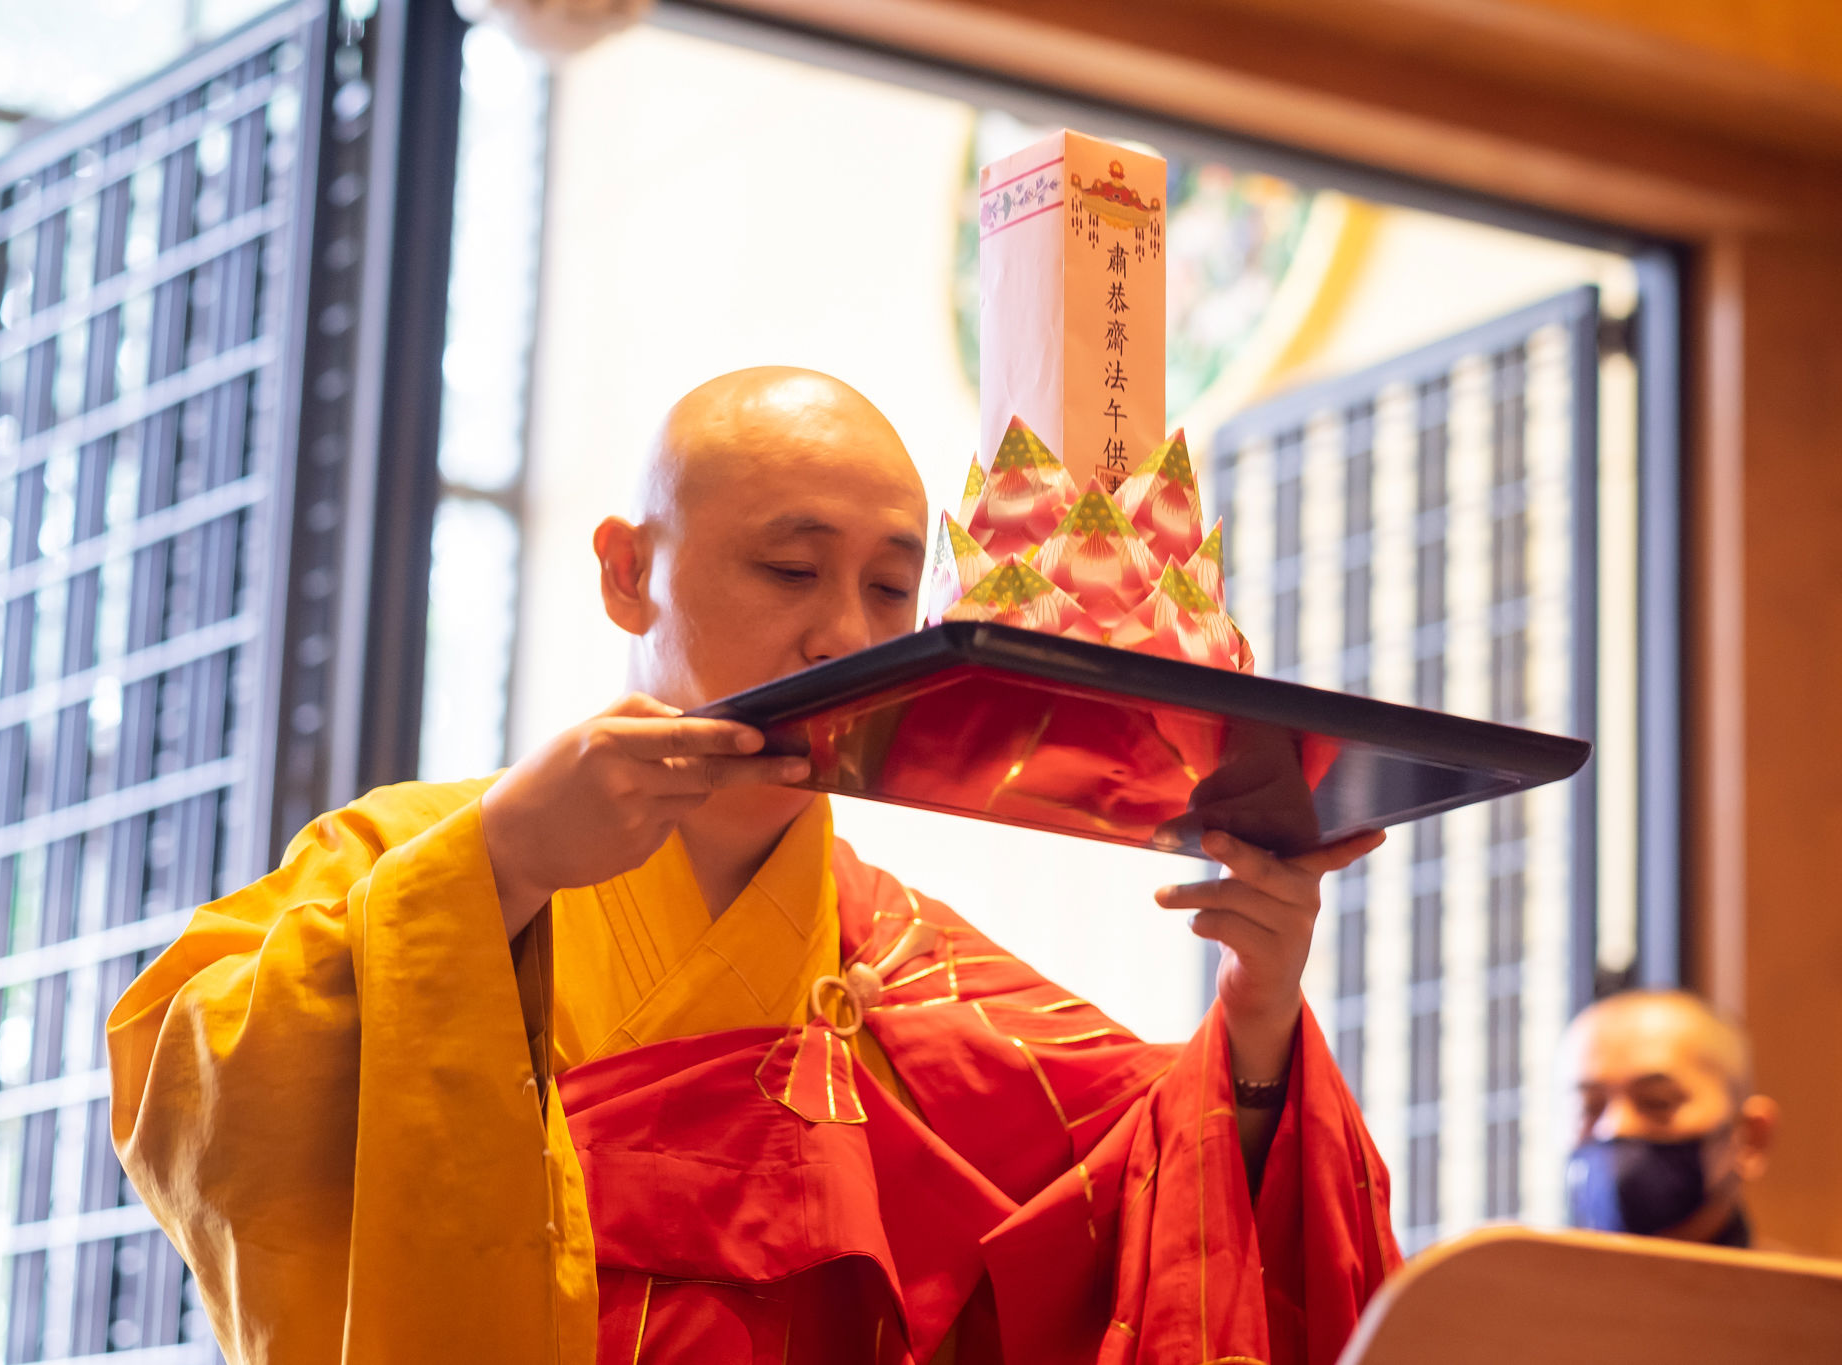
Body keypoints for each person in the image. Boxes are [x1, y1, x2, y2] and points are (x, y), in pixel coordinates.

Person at [107, 367, 1400, 1365]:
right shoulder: (409, 861)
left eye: (893, 592)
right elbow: (192, 1093)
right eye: (790, 567)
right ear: (628, 572)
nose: (840, 630)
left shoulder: (907, 962)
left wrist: (1262, 1016)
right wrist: (495, 869)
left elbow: (1162, 1207)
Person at [1561, 989, 1781, 1248]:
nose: (1615, 1127)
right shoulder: (1519, 1281)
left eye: (1658, 1102)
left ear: (1751, 1137)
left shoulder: (1795, 1288)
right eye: (1589, 1107)